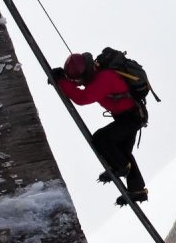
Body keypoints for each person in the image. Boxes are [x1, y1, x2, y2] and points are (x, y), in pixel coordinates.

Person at [51, 51, 149, 206]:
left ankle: (121, 167)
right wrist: (63, 78)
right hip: (130, 115)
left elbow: (82, 98)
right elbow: (81, 83)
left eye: (80, 79)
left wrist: (62, 82)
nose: (80, 82)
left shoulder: (104, 78)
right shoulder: (94, 74)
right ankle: (137, 191)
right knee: (122, 151)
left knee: (101, 139)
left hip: (130, 117)